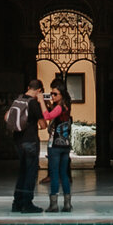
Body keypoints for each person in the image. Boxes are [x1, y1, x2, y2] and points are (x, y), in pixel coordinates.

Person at [7, 78, 45, 213]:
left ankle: (17, 202)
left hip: (18, 141)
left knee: (22, 172)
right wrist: (41, 103)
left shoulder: (18, 99)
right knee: (30, 173)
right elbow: (43, 125)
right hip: (30, 141)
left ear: (29, 87)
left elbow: (7, 117)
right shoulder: (33, 103)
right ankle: (27, 204)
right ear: (39, 90)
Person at [42, 83, 74, 213]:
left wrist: (41, 102)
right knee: (64, 174)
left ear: (61, 95)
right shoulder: (67, 106)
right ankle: (67, 204)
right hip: (65, 145)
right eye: (51, 94)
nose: (52, 96)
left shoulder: (60, 107)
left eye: (55, 94)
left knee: (55, 174)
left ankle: (54, 205)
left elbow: (47, 116)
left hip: (55, 145)